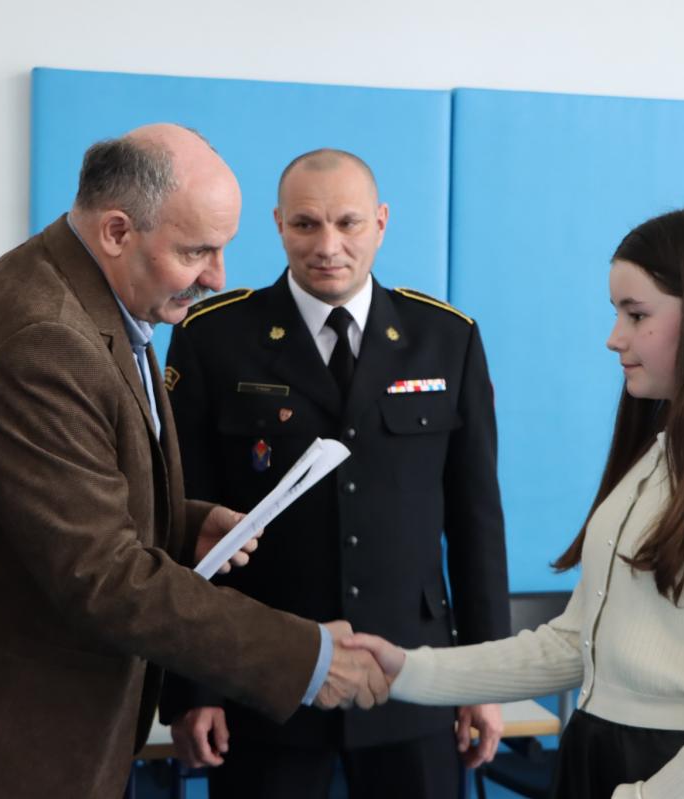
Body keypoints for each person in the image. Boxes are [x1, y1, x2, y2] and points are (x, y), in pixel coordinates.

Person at [0, 125, 389, 799]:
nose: (217, 277)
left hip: (40, 734)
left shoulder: (88, 289)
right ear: (118, 231)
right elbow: (102, 574)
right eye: (197, 251)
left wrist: (182, 523)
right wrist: (307, 657)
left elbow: (65, 490)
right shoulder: (43, 336)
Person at [347, 203, 684, 799]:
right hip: (602, 755)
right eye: (617, 313)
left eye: (636, 315)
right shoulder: (658, 463)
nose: (615, 338)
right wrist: (408, 669)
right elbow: (573, 645)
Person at [161, 148, 510, 799]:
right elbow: (183, 519)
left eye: (347, 223)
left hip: (414, 677)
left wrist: (484, 680)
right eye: (305, 224)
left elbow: (476, 524)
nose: (328, 246)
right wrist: (194, 687)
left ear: (380, 222)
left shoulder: (446, 337)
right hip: (264, 680)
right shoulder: (213, 337)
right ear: (278, 224)